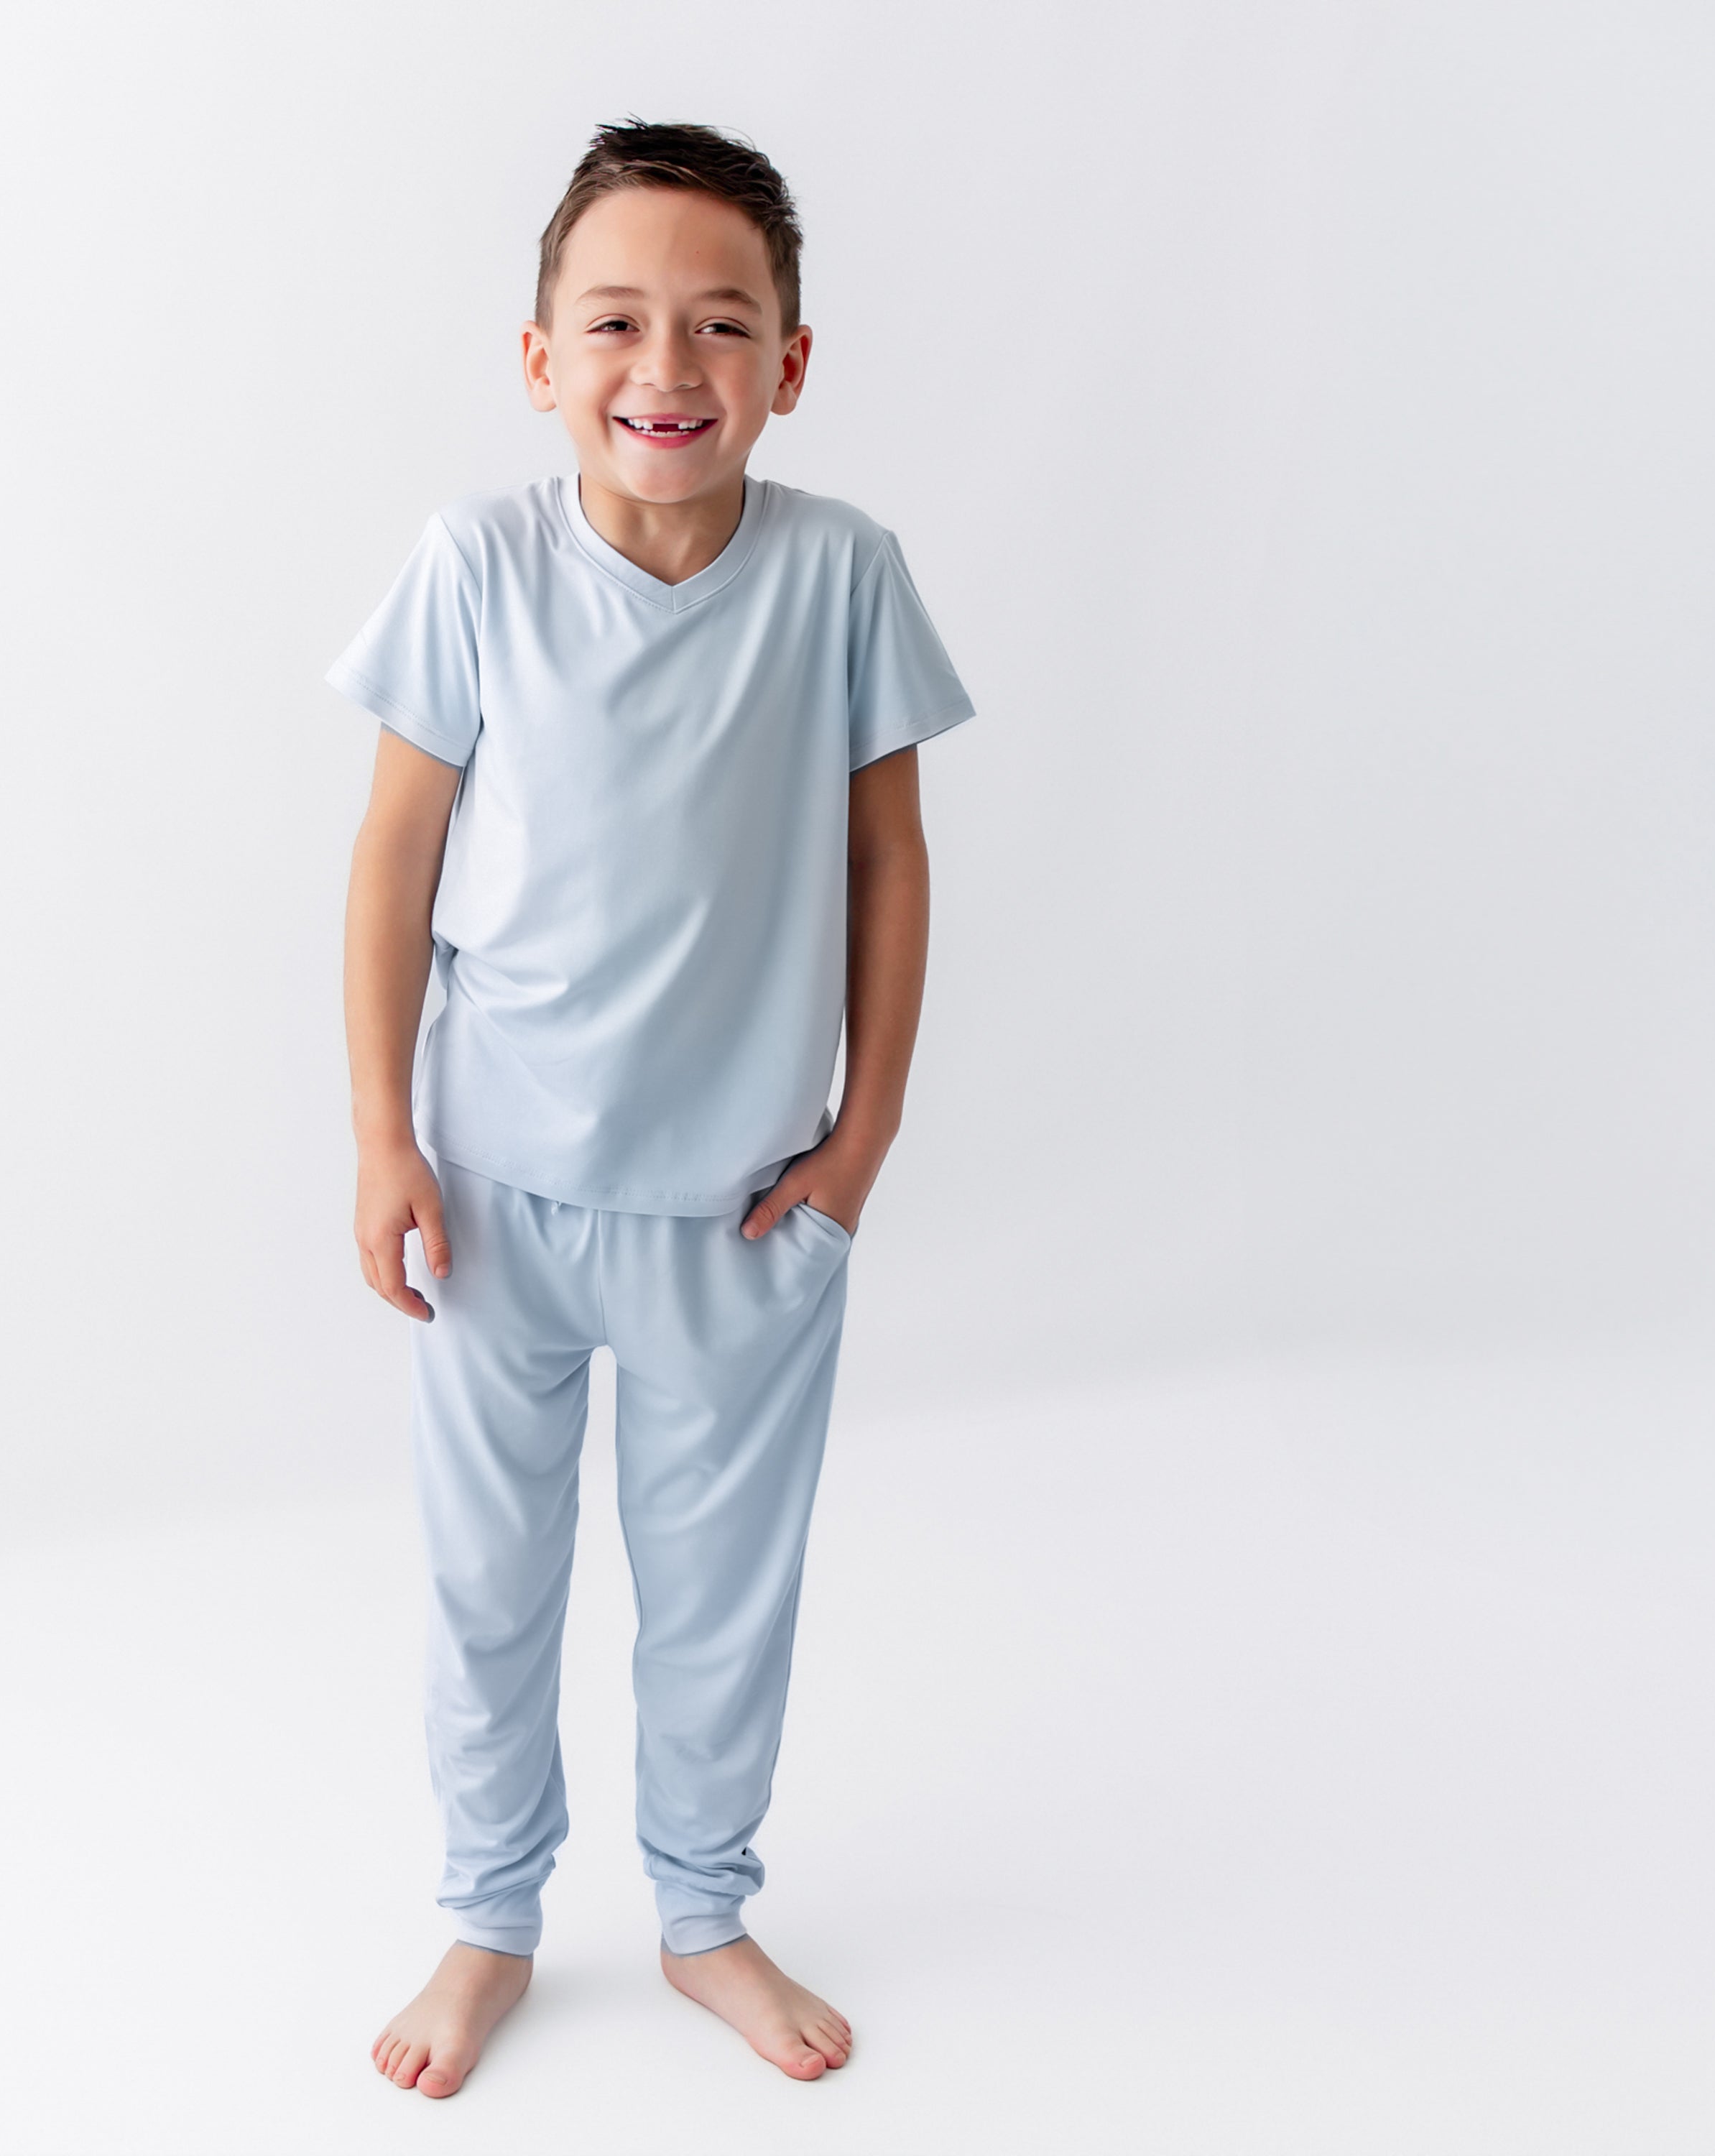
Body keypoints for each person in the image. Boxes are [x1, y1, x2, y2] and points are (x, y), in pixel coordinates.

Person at [329, 118, 974, 2099]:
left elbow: (888, 861)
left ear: (791, 360)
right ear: (542, 358)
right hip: (494, 1198)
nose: (666, 367)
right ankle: (488, 1920)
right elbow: (394, 857)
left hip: (745, 1208)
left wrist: (860, 1144)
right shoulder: (478, 565)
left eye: (720, 322)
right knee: (488, 1588)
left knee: (720, 1601)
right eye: (615, 322)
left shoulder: (842, 576)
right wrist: (383, 1135)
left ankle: (704, 1912)